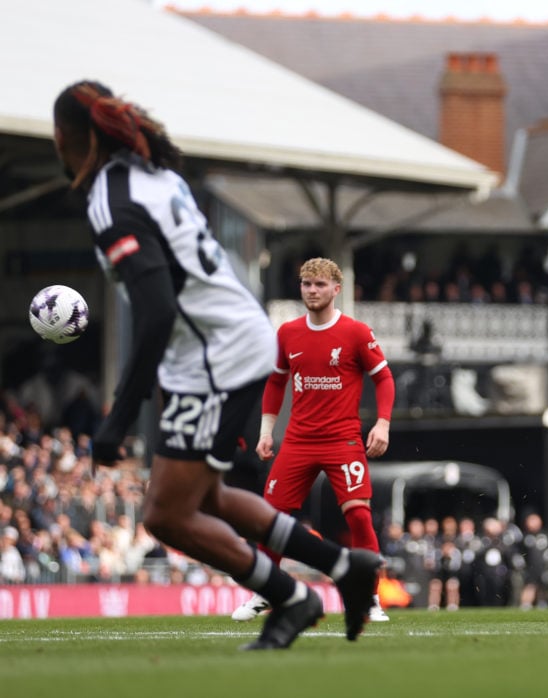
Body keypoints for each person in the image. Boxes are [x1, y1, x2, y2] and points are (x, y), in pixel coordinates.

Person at [52, 80, 380, 649]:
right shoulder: (158, 177)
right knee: (205, 500)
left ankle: (294, 596)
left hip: (215, 355)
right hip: (214, 347)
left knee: (165, 515)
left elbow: (154, 312)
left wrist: (119, 416)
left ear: (70, 138)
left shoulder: (110, 196)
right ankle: (344, 570)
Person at [231, 257, 394, 623]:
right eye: (306, 284)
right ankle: (265, 592)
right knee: (270, 520)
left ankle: (369, 598)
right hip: (299, 441)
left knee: (359, 518)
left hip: (343, 441)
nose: (312, 290)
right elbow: (275, 382)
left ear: (336, 289)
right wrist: (265, 431)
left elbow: (384, 379)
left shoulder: (356, 333)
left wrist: (382, 424)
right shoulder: (288, 333)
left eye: (319, 284)